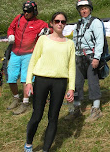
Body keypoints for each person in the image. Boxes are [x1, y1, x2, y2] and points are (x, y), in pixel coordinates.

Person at [24, 12, 75, 152]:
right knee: (37, 115)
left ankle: (46, 149)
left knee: (53, 117)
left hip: (60, 82)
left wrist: (71, 88)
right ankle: (28, 143)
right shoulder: (43, 40)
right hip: (41, 79)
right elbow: (33, 60)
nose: (60, 24)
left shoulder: (70, 44)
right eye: (57, 21)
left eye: (63, 22)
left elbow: (71, 67)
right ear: (51, 23)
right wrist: (28, 82)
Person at [6, 1, 49, 115]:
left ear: (34, 12)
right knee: (11, 77)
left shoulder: (40, 23)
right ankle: (16, 98)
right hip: (15, 52)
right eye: (24, 11)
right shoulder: (19, 18)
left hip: (29, 53)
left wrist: (47, 31)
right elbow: (11, 27)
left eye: (28, 11)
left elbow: (51, 29)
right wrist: (10, 34)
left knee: (26, 79)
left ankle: (25, 102)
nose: (26, 13)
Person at [66, 0, 104, 122]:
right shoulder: (78, 24)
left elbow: (100, 41)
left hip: (91, 57)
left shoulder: (95, 22)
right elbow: (74, 41)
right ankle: (75, 109)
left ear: (90, 9)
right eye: (81, 9)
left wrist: (97, 58)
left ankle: (96, 109)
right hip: (78, 58)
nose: (83, 11)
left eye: (86, 8)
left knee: (93, 83)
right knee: (76, 83)